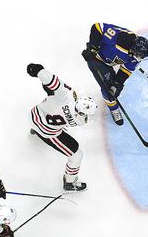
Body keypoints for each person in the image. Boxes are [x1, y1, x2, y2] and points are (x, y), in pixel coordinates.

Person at [26, 63, 97, 191]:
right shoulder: (80, 120)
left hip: (34, 114)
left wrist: (39, 71)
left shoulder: (66, 96)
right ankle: (69, 183)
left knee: (50, 95)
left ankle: (34, 130)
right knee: (76, 155)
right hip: (46, 131)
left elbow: (53, 82)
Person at [81, 23, 148, 125]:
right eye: (140, 55)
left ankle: (111, 95)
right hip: (96, 58)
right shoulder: (120, 37)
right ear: (134, 49)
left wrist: (117, 83)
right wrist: (92, 48)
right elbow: (98, 26)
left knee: (112, 88)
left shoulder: (136, 57)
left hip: (109, 61)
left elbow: (126, 70)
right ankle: (113, 108)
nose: (139, 58)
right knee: (106, 89)